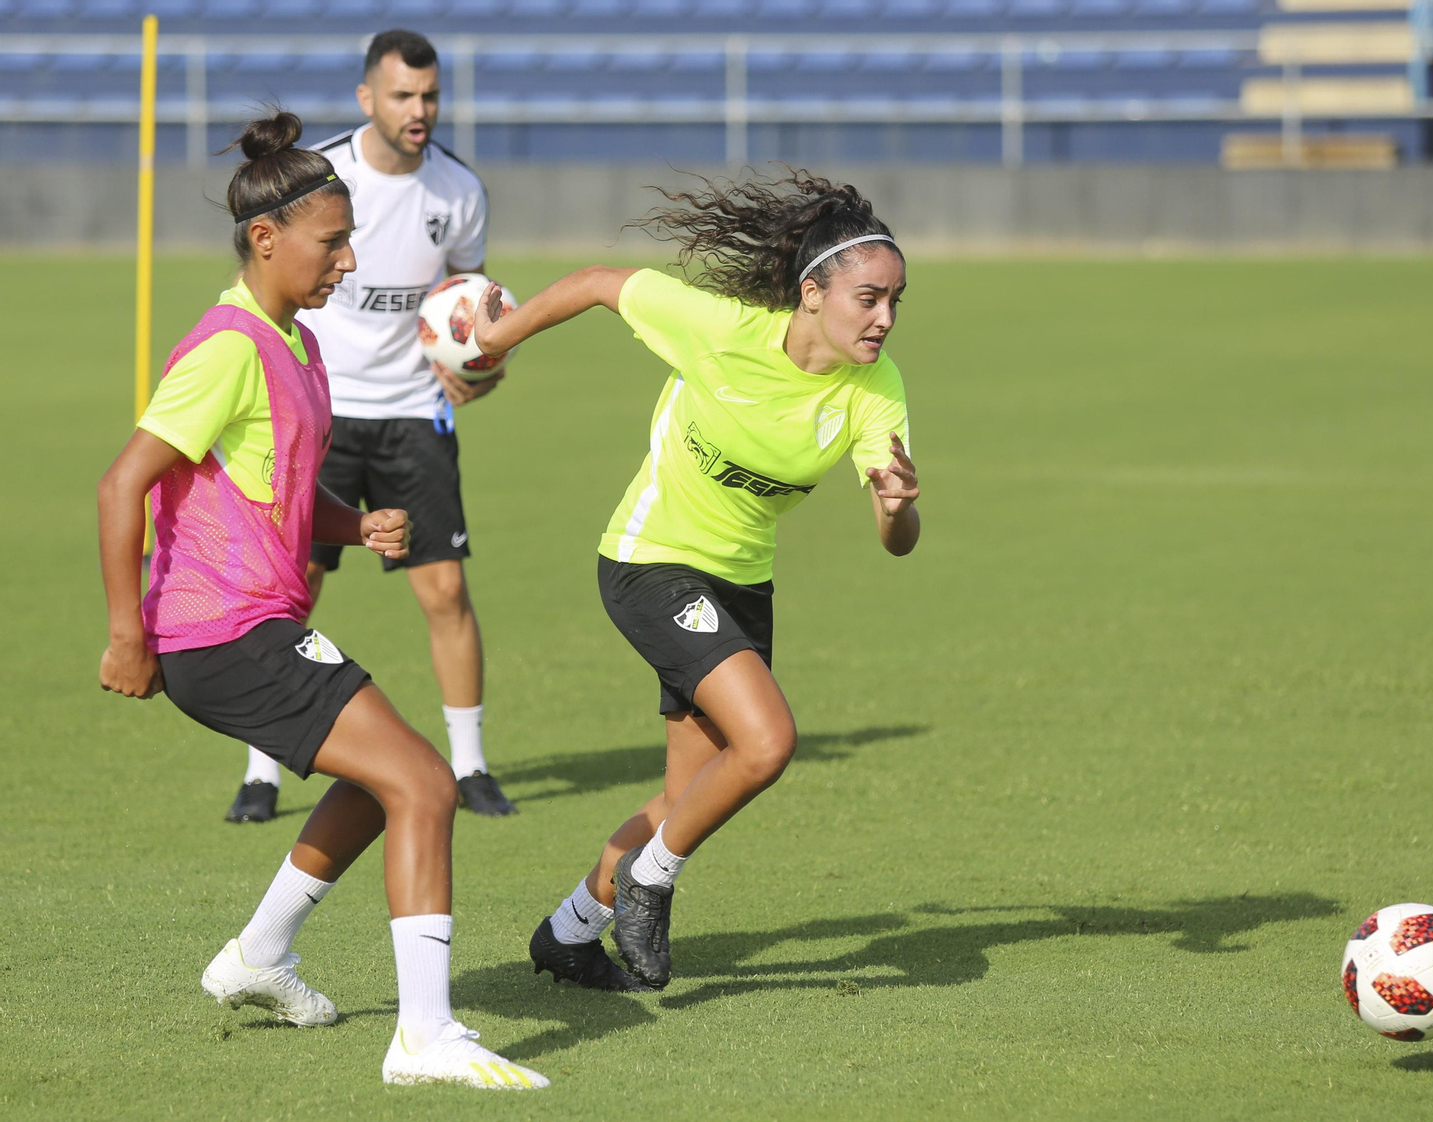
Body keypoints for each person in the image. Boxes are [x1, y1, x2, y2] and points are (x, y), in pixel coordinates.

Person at [97, 112, 546, 1090]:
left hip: (256, 623)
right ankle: (424, 1037)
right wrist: (127, 635)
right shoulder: (225, 347)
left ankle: (260, 955)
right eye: (332, 243)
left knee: (380, 787)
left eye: (351, 242)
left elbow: (276, 495)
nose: (348, 263)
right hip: (217, 633)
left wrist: (355, 526)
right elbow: (120, 485)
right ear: (267, 239)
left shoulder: (295, 345)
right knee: (424, 784)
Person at [471, 170, 922, 991]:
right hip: (651, 562)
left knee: (686, 798)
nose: (885, 318)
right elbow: (600, 285)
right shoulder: (722, 329)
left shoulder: (875, 390)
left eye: (896, 300)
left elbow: (899, 543)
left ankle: (569, 933)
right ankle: (649, 881)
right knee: (769, 742)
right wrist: (499, 339)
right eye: (869, 298)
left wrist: (895, 505)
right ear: (812, 292)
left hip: (743, 586)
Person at [225, 28, 515, 824]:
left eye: (428, 96)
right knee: (293, 587)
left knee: (445, 589)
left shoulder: (458, 191)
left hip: (414, 412)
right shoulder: (322, 178)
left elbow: (468, 302)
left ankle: (471, 765)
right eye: (401, 96)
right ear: (367, 100)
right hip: (322, 412)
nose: (418, 110)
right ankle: (263, 771)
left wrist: (478, 362)